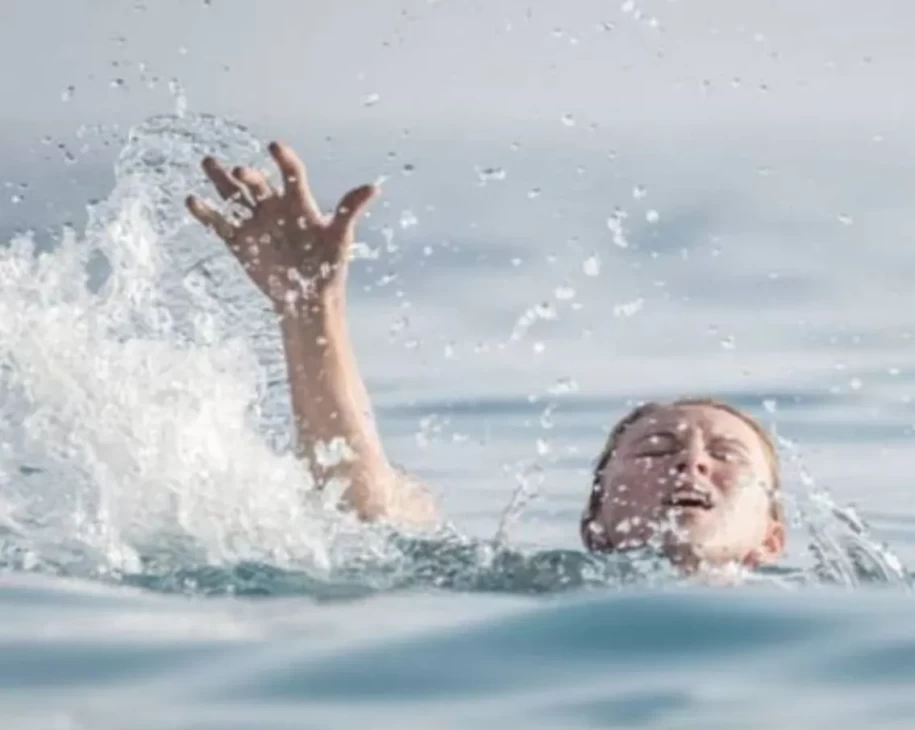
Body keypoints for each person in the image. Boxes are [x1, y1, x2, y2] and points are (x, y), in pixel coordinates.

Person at [185, 142, 786, 574]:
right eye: (655, 449)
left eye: (726, 455)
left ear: (771, 538)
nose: (691, 463)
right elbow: (368, 514)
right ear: (596, 524)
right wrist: (312, 306)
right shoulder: (539, 592)